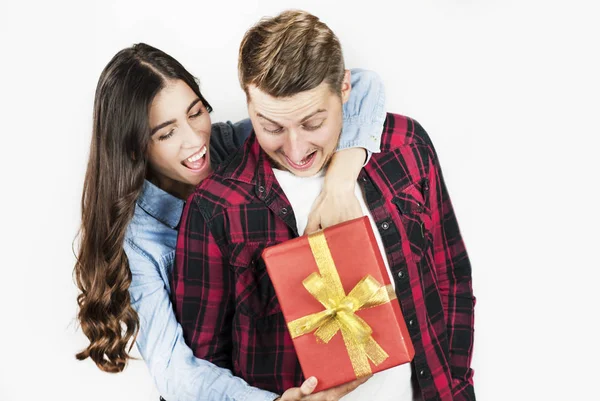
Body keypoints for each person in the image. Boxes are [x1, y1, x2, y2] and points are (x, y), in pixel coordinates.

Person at [173, 10, 476, 401]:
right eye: (271, 127)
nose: (296, 150)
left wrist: (457, 387)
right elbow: (203, 364)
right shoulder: (216, 208)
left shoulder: (406, 145)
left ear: (345, 88)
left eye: (313, 123)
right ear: (247, 103)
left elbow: (451, 277)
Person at [73, 42, 387, 401]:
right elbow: (175, 371)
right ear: (134, 148)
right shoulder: (137, 239)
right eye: (166, 133)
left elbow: (361, 84)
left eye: (195, 113)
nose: (194, 141)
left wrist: (340, 183)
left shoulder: (230, 144)